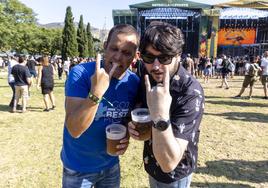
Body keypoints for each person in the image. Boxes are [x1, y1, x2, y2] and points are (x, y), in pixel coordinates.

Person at [61, 24, 140, 188]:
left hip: (111, 165)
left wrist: (126, 137)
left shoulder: (134, 82)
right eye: (114, 49)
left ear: (135, 56)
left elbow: (125, 118)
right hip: (78, 168)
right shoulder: (81, 73)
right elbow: (74, 129)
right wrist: (96, 92)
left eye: (126, 53)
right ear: (105, 47)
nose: (118, 57)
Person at [128, 21, 204, 188]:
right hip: (151, 164)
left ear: (178, 55)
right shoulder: (145, 72)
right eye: (148, 57)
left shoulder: (190, 92)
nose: (155, 66)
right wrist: (135, 125)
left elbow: (169, 162)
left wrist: (159, 115)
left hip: (174, 175)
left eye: (164, 58)